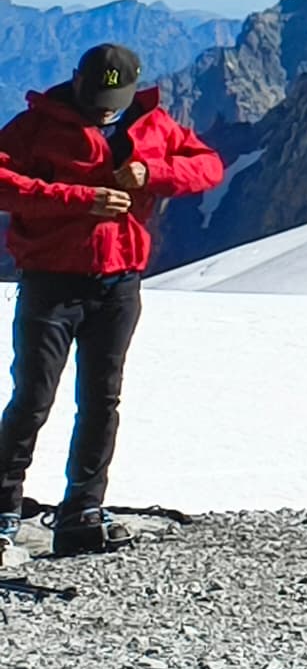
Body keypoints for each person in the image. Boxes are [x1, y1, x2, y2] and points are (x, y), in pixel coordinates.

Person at [1, 45, 225, 558]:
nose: (104, 109)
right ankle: (3, 506)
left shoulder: (153, 125)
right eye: (96, 97)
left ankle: (83, 509)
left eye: (113, 99)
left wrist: (153, 173)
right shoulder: (37, 125)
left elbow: (207, 166)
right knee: (33, 398)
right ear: (75, 81)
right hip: (51, 282)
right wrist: (79, 198)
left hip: (119, 282)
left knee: (101, 400)